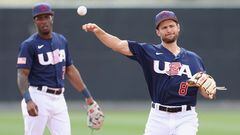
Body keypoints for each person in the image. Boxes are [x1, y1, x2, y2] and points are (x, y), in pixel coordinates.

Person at [82, 10, 216, 135]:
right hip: (158, 117)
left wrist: (210, 88)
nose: (169, 30)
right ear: (158, 32)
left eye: (171, 26)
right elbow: (118, 45)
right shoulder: (149, 52)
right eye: (164, 27)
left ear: (178, 27)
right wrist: (98, 31)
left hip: (186, 117)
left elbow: (207, 93)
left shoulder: (193, 59)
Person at [17, 3, 103, 135]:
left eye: (47, 17)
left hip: (59, 100)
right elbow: (22, 74)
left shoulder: (61, 40)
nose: (44, 21)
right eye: (40, 18)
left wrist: (89, 98)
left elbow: (70, 70)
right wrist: (28, 100)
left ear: (52, 18)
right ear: (35, 20)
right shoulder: (29, 45)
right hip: (38, 97)